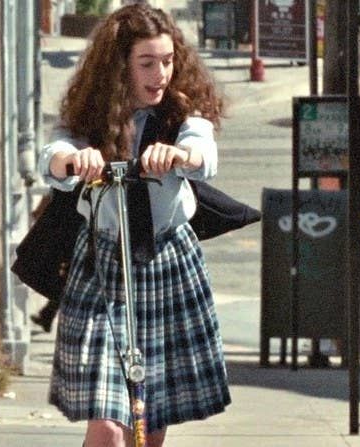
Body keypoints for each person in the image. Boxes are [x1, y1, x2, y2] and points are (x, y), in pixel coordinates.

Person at [37, 4, 230, 446]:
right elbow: (54, 153)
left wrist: (182, 156)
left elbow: (203, 153)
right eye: (147, 63)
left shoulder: (182, 113)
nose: (161, 73)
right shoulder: (92, 113)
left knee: (149, 422)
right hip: (102, 264)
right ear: (120, 66)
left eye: (167, 61)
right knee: (107, 424)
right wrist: (73, 159)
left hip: (166, 262)